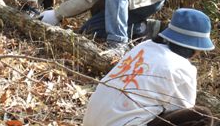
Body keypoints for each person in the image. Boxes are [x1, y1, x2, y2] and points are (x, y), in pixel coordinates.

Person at [83, 8, 215, 126]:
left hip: (91, 120)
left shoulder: (144, 46)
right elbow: (182, 110)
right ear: (196, 47)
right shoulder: (183, 68)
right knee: (201, 116)